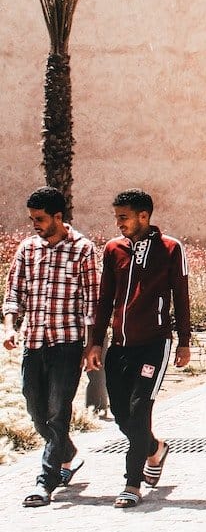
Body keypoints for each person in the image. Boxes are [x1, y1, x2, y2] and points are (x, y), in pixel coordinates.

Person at [84, 189, 191, 509]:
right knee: (121, 414)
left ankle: (132, 484)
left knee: (140, 408)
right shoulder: (113, 249)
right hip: (121, 347)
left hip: (155, 345)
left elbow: (181, 296)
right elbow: (104, 299)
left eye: (123, 217)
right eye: (117, 217)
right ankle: (155, 449)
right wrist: (96, 342)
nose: (118, 223)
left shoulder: (171, 248)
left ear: (143, 217)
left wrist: (184, 341)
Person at [3, 187, 99, 508]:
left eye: (40, 219)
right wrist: (9, 327)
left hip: (66, 345)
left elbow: (92, 303)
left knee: (58, 413)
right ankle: (67, 453)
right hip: (33, 343)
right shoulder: (28, 249)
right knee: (35, 410)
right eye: (32, 219)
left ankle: (46, 481)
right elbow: (13, 294)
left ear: (58, 217)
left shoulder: (83, 250)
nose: (34, 224)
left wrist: (90, 346)